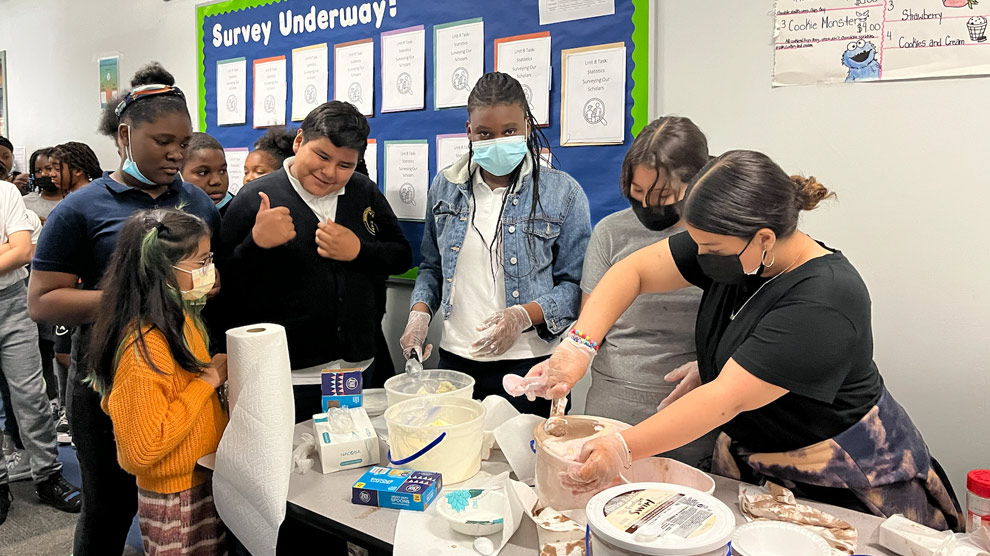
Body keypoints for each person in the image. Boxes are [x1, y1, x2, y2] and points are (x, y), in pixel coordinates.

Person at [529, 150, 964, 531]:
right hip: (758, 460)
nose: (699, 257)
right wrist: (578, 346)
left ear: (764, 238)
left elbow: (726, 399)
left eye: (710, 248)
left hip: (843, 476)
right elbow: (632, 270)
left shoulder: (826, 299)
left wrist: (621, 447)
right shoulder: (738, 256)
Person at [28, 61, 221, 555]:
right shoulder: (81, 208)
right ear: (124, 135)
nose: (176, 154)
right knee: (108, 508)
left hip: (182, 381)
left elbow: (206, 284)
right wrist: (143, 296)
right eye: (162, 142)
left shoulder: (197, 203)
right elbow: (44, 300)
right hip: (108, 379)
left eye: (183, 143)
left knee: (184, 507)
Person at [399, 72, 591, 415]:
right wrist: (419, 317)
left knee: (526, 464)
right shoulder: (444, 187)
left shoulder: (563, 193)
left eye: (509, 131)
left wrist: (522, 315)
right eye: (485, 133)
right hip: (457, 362)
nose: (498, 141)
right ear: (469, 131)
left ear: (527, 127)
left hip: (531, 366)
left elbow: (576, 286)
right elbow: (431, 268)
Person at [219, 101, 411, 422]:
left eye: (345, 165)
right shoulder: (256, 197)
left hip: (357, 369)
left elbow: (401, 256)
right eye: (322, 156)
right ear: (299, 143)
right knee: (296, 465)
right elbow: (221, 285)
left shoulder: (362, 191)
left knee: (352, 459)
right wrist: (256, 244)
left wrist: (359, 251)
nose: (329, 172)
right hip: (287, 377)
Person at [88, 208, 228, 555]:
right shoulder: (143, 345)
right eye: (201, 262)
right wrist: (207, 381)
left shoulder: (184, 318)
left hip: (201, 480)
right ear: (161, 271)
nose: (210, 271)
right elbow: (141, 451)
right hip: (174, 500)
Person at [580, 116, 717, 468]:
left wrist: (711, 367)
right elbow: (591, 321)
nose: (647, 206)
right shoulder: (611, 233)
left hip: (688, 410)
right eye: (636, 194)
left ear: (698, 181)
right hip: (613, 404)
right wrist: (572, 352)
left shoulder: (718, 239)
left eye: (661, 196)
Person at [0, 177, 82, 525]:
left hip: (11, 302)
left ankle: (47, 476)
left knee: (31, 395)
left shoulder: (4, 192)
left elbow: (22, 250)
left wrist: (10, 249)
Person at [184, 132, 233, 215]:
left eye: (222, 171)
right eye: (203, 173)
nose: (216, 181)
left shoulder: (242, 212)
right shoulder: (164, 213)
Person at [22, 148, 59, 222]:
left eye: (49, 169)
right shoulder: (24, 203)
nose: (43, 174)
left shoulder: (73, 200)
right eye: (38, 171)